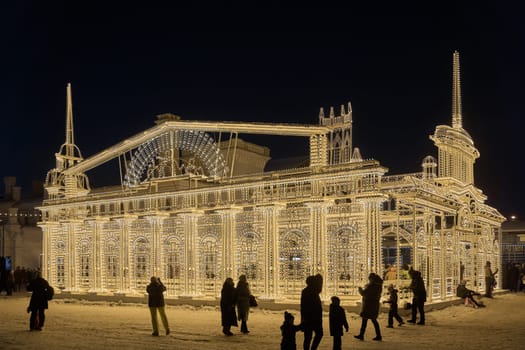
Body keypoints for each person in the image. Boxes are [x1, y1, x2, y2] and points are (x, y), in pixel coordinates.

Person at [354, 273, 383, 341]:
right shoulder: (378, 285)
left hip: (369, 305)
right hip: (374, 305)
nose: (369, 280)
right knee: (372, 320)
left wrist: (360, 289)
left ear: (372, 279)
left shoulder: (372, 286)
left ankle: (362, 335)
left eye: (370, 278)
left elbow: (364, 293)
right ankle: (377, 335)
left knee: (366, 320)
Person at [300, 273, 323, 350]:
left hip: (308, 318)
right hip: (314, 318)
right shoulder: (314, 292)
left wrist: (303, 318)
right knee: (318, 334)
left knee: (308, 337)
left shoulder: (306, 291)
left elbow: (303, 307)